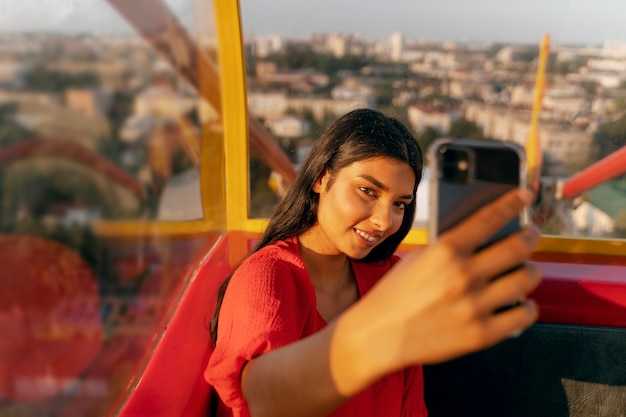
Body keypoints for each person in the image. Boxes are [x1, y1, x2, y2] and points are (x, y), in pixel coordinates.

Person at [204, 108, 542, 417]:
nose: (385, 221)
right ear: (322, 177)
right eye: (368, 191)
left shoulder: (389, 278)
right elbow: (264, 398)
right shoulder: (266, 275)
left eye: (400, 204)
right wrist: (383, 336)